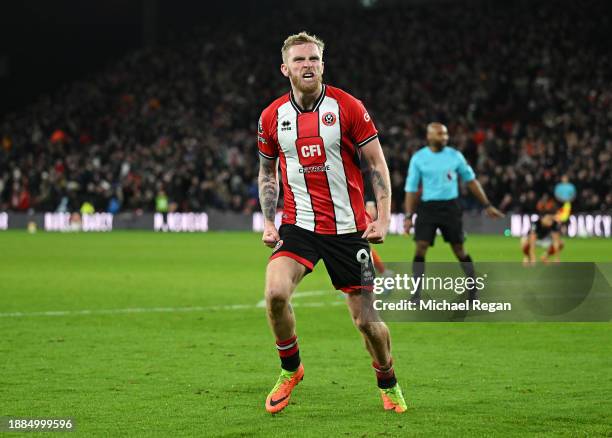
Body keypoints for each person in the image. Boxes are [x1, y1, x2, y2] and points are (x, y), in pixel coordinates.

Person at [257, 32, 406, 414]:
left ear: (323, 64)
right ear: (285, 68)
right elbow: (267, 173)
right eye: (299, 60)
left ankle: (387, 380)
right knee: (274, 295)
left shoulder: (348, 107)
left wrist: (384, 219)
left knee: (367, 323)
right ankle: (291, 369)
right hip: (299, 226)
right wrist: (270, 222)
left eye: (313, 59)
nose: (307, 65)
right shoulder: (272, 116)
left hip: (347, 231)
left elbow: (376, 164)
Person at [403, 123, 504, 300]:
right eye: (440, 134)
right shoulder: (418, 158)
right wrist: (409, 215)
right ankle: (416, 293)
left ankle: (473, 289)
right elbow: (411, 188)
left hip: (450, 207)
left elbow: (471, 181)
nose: (444, 137)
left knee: (459, 249)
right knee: (421, 248)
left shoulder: (455, 156)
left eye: (445, 134)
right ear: (429, 137)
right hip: (428, 208)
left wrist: (487, 205)